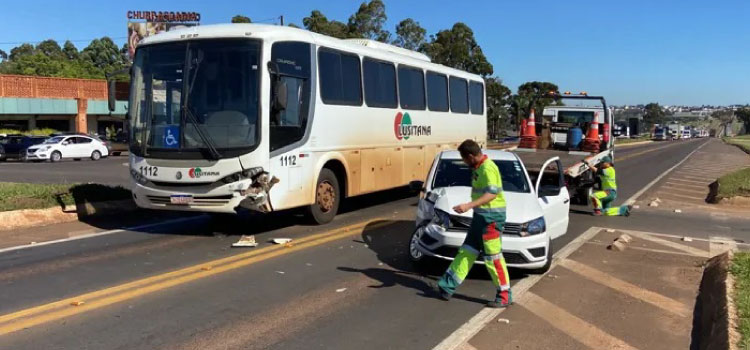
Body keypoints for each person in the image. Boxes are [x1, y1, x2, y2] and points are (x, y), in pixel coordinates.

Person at [436, 139, 512, 308]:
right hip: (481, 218)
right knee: (467, 251)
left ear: (470, 156)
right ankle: (447, 285)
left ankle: (505, 295)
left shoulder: (488, 168)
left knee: (493, 257)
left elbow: (492, 194)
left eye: (464, 159)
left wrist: (468, 206)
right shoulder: (479, 168)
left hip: (491, 220)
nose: (464, 162)